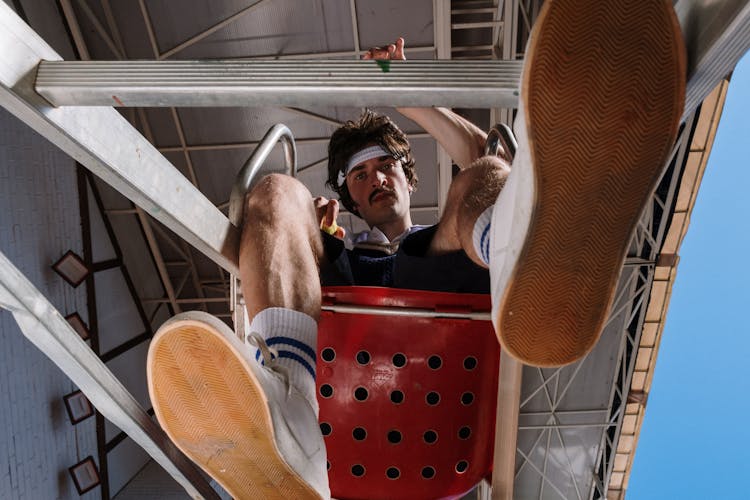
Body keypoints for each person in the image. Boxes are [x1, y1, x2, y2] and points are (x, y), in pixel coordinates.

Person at [146, 0, 685, 498]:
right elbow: (285, 226)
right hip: (332, 426)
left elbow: (481, 154)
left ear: (410, 177)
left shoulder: (445, 234)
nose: (375, 178)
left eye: (385, 165)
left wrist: (416, 100)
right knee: (276, 191)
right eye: (358, 175)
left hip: (445, 378)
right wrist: (312, 232)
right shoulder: (338, 248)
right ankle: (287, 411)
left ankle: (536, 258)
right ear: (350, 196)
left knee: (487, 174)